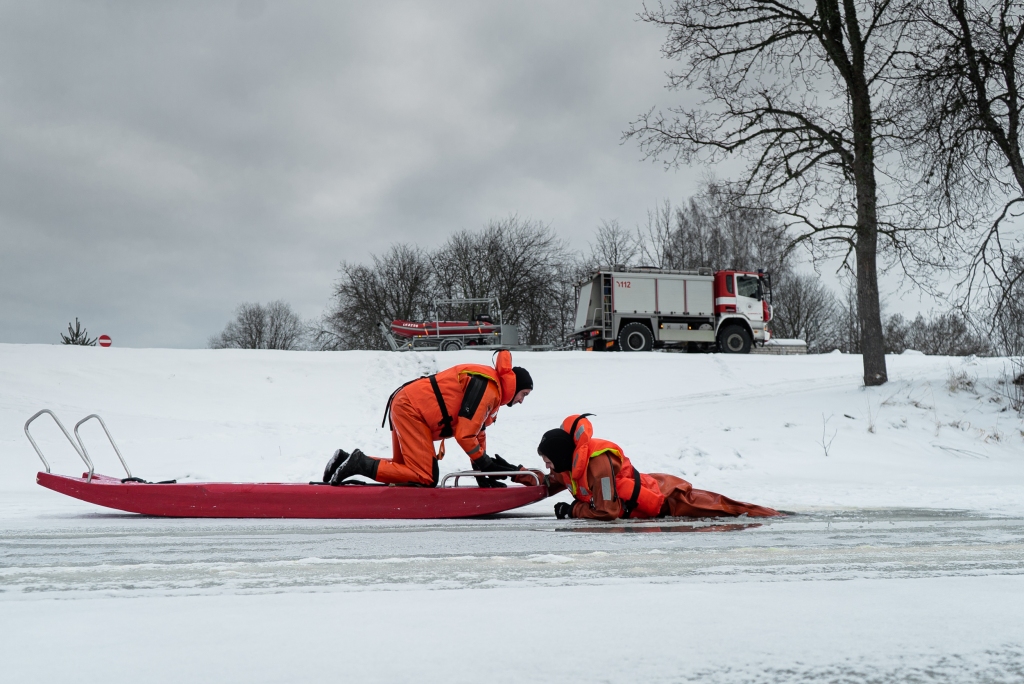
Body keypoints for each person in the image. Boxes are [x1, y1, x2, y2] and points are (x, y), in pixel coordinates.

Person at [324, 350, 532, 487]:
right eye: (524, 394)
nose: (522, 401)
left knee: (403, 469)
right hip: (412, 410)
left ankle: (344, 460)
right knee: (425, 476)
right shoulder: (489, 389)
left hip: (407, 404)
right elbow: (465, 434)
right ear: (514, 386)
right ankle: (358, 463)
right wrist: (485, 464)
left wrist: (482, 473)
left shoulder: (491, 389)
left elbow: (477, 434)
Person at [532, 414, 780, 520]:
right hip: (655, 489)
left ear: (562, 456)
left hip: (669, 498)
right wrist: (523, 475)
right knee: (726, 508)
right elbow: (554, 481)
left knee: (727, 509)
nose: (547, 466)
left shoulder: (598, 466)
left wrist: (573, 510)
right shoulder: (567, 467)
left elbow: (607, 511)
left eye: (548, 461)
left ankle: (772, 515)